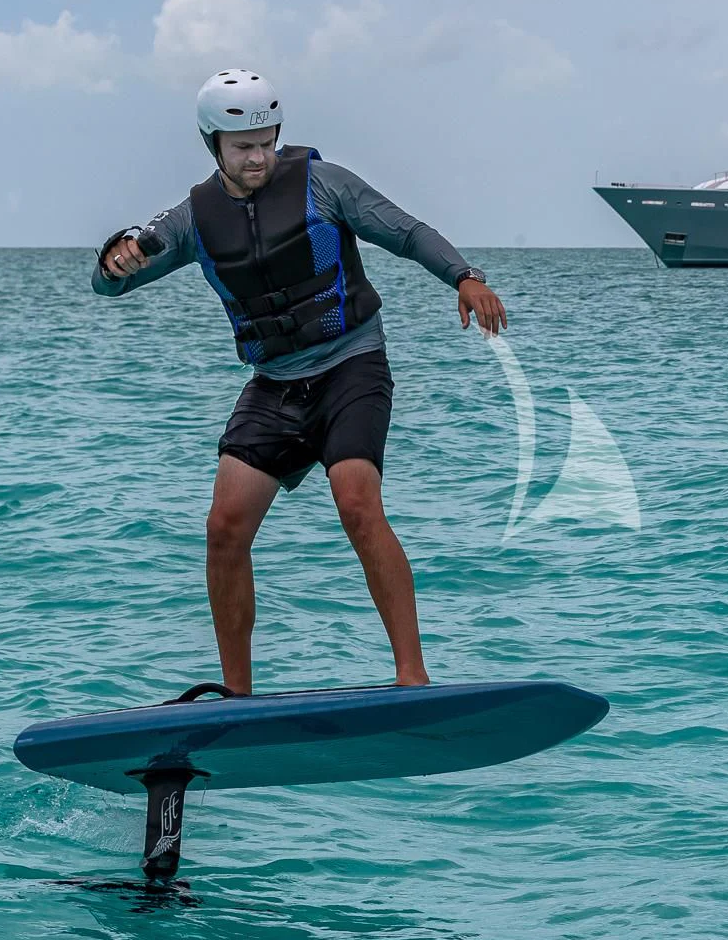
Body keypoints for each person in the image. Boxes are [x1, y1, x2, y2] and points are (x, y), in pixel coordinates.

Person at [92, 68, 507, 695]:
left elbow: (407, 231)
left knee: (357, 499)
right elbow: (111, 282)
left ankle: (412, 679)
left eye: (266, 141)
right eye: (242, 147)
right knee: (224, 525)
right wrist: (113, 257)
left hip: (351, 365)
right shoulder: (194, 219)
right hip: (276, 384)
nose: (258, 156)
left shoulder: (325, 185)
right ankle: (236, 695)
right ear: (214, 146)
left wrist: (464, 277)